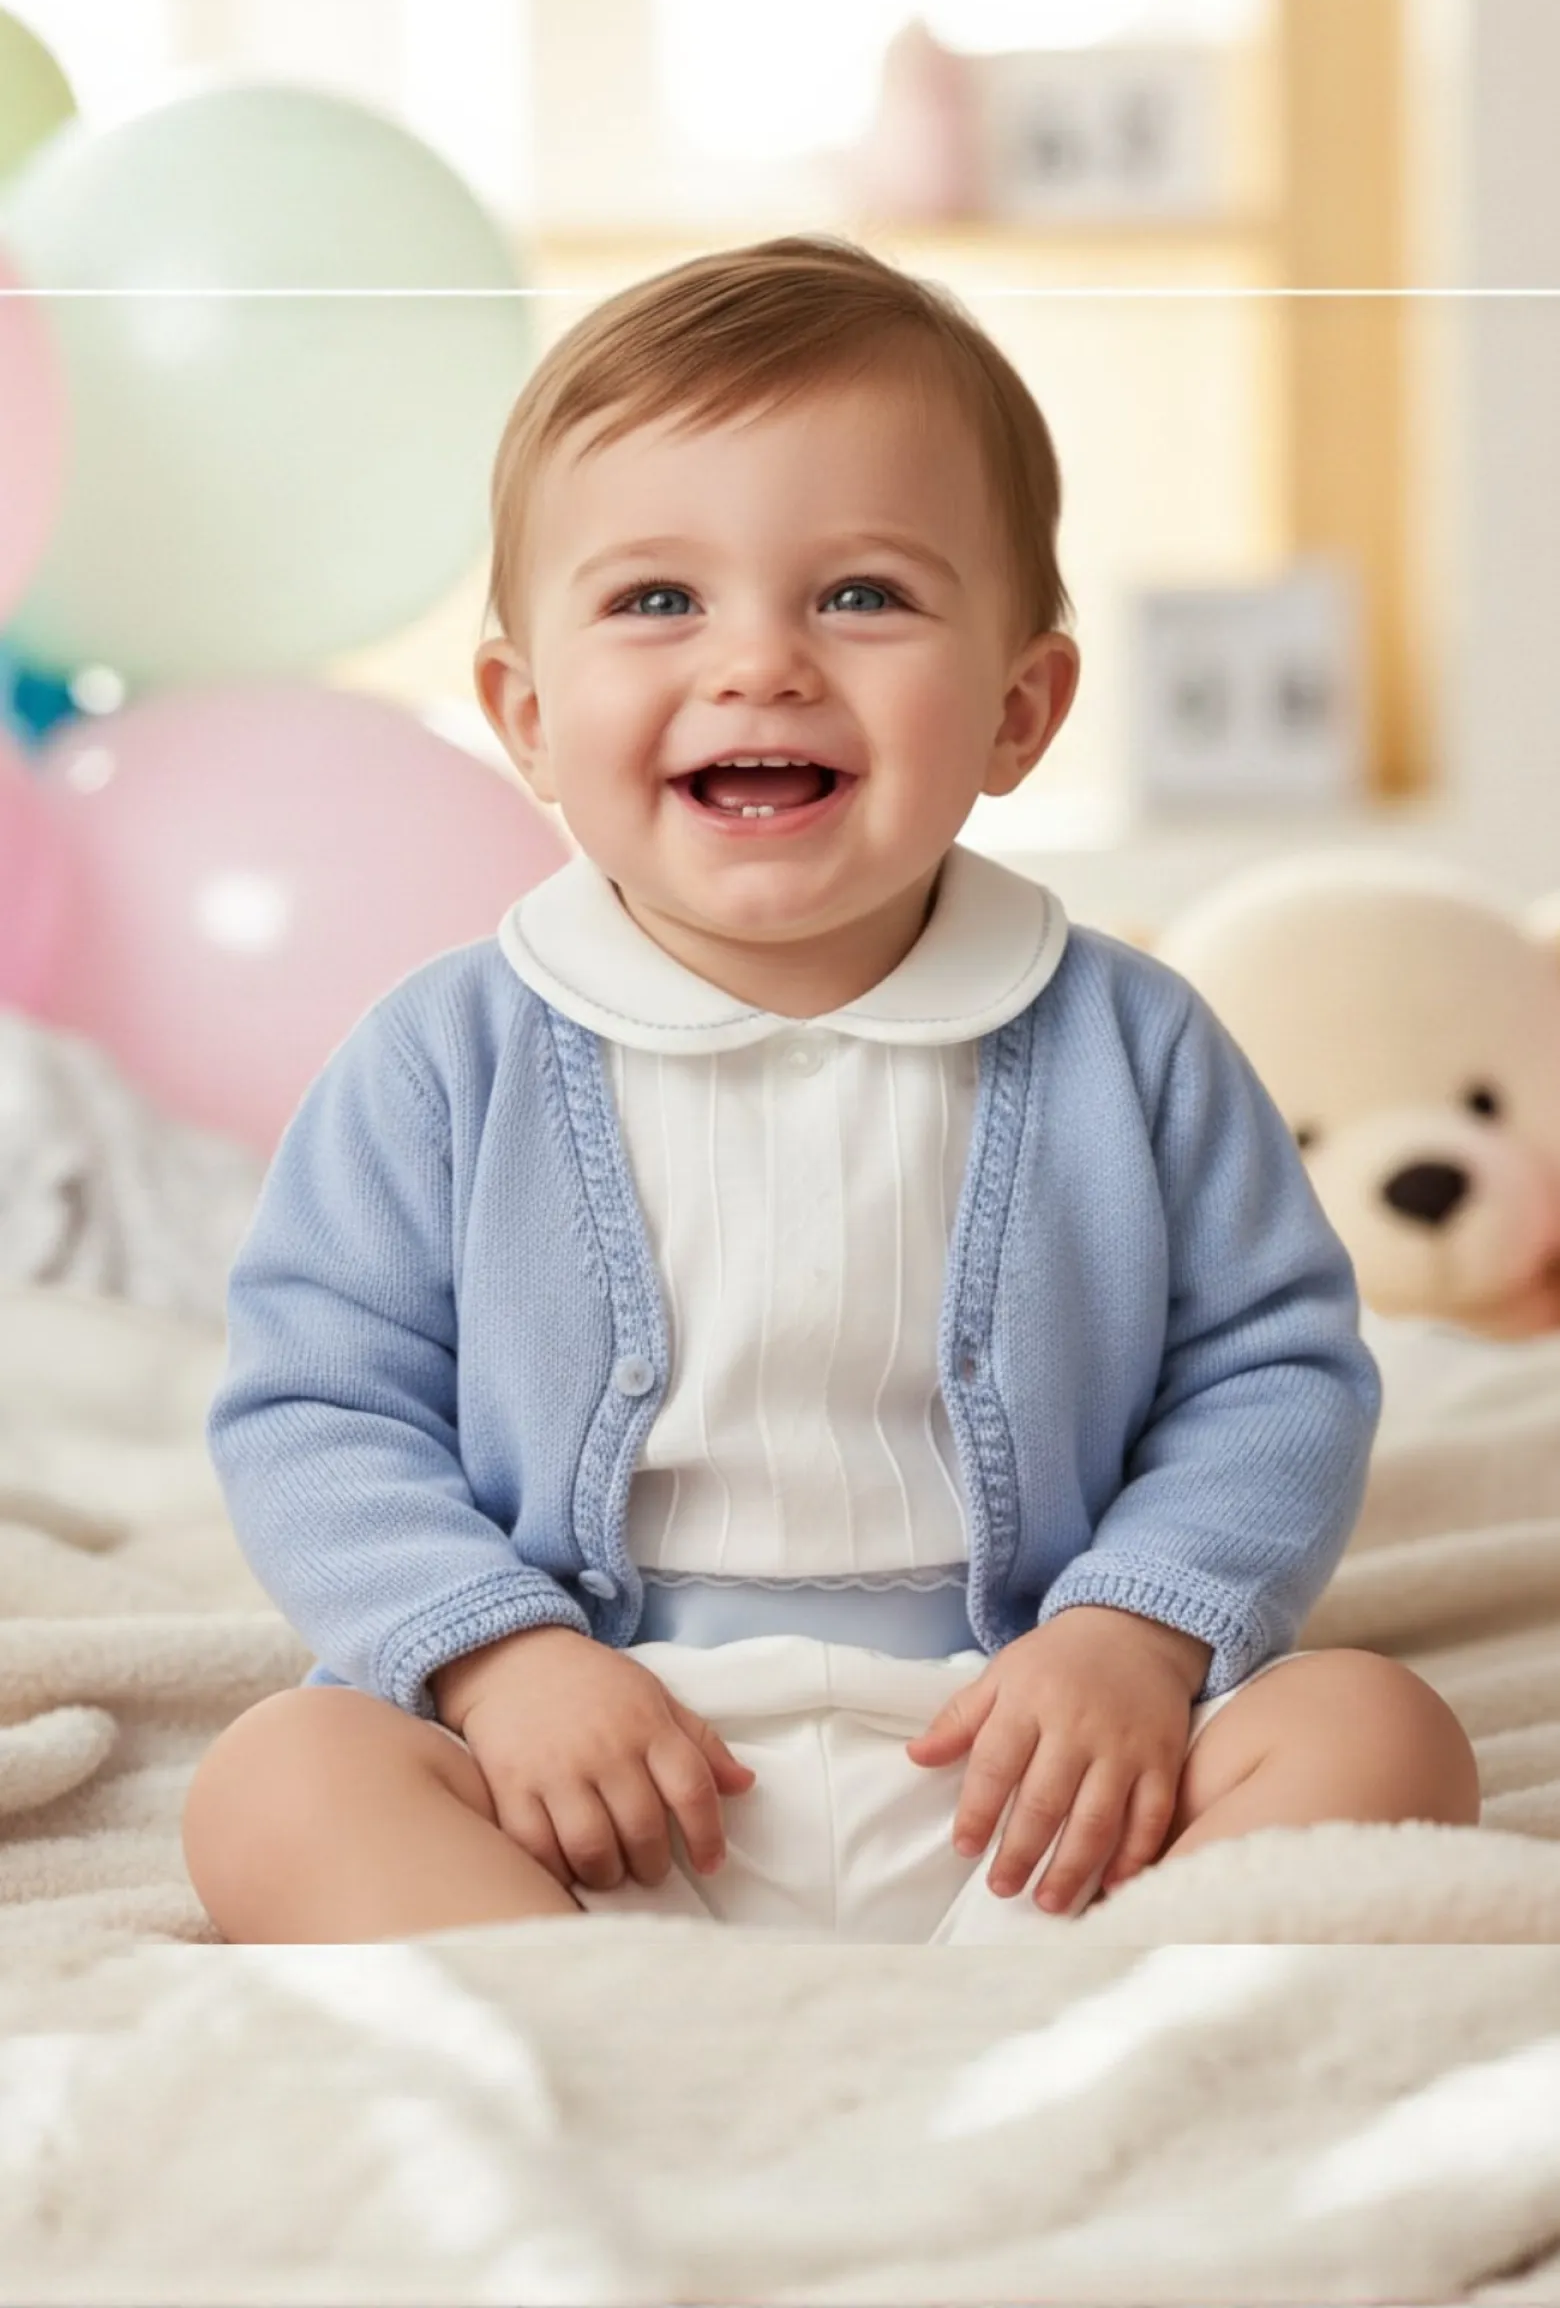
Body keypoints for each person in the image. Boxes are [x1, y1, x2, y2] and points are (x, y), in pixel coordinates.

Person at [182, 236, 1480, 1945]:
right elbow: (316, 1409)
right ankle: (605, 2027)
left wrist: (1136, 1634)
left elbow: (1275, 1374)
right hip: (599, 1774)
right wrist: (500, 1660)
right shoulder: (446, 1054)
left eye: (862, 595)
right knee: (276, 1781)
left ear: (1022, 708)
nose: (761, 664)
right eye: (658, 600)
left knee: (1383, 1735)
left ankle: (1066, 2013)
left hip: (1025, 1764)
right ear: (525, 714)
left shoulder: (1130, 1038)